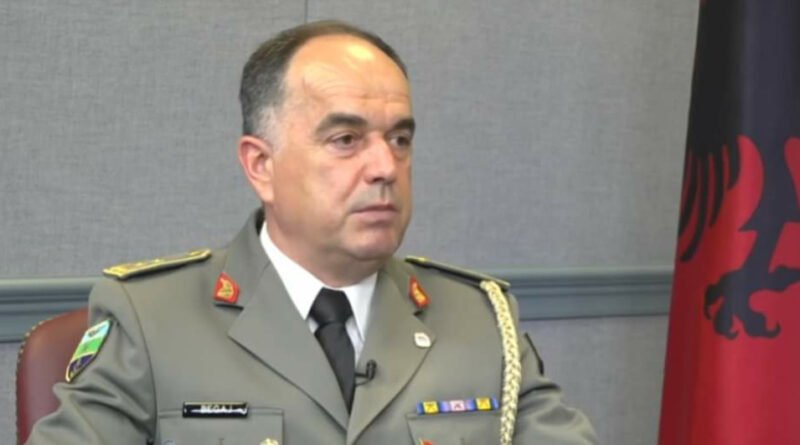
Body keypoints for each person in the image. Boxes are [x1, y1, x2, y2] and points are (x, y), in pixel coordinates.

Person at [25, 20, 597, 445]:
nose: (385, 166)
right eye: (346, 140)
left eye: (399, 139)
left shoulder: (481, 320)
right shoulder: (151, 320)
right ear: (261, 166)